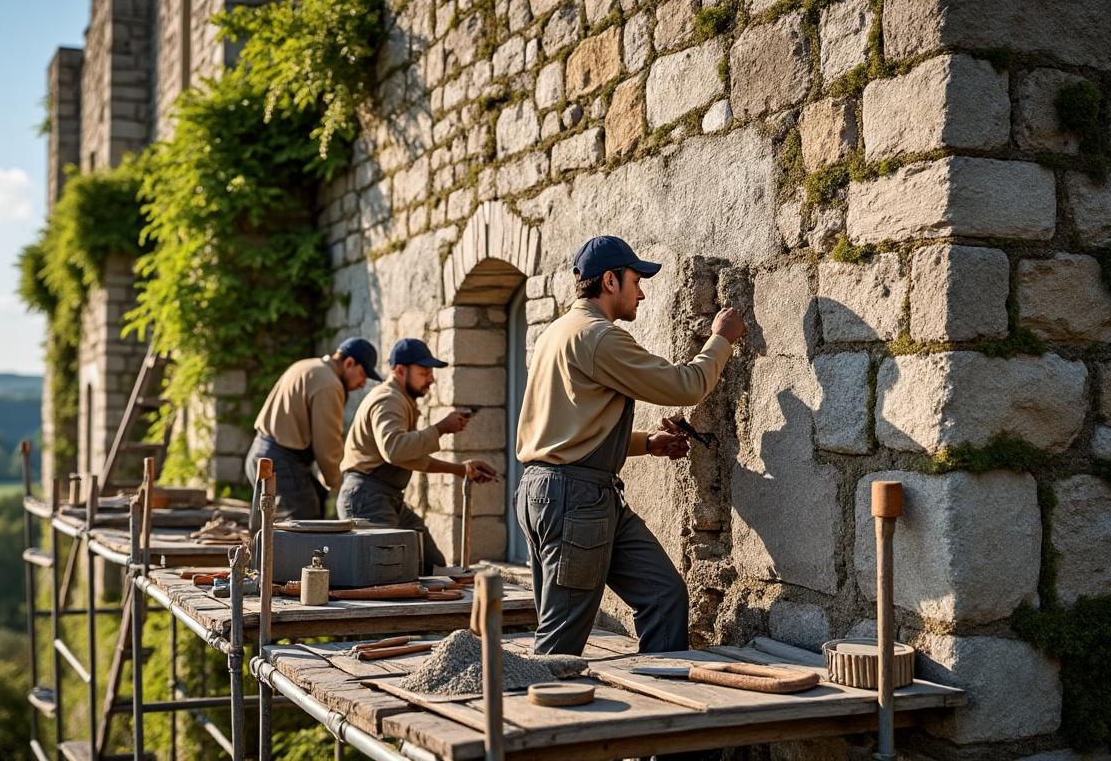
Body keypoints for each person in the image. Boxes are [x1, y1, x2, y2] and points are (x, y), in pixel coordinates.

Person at [514, 235, 746, 655]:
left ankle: (663, 703)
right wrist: (722, 338)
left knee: (664, 595)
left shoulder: (556, 332)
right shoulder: (599, 337)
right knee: (559, 645)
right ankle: (534, 717)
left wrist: (648, 444)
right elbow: (686, 385)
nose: (641, 293)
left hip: (563, 492)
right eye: (636, 281)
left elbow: (567, 434)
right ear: (609, 281)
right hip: (576, 500)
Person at [337, 338, 497, 573]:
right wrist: (441, 428)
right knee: (386, 575)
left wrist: (460, 470)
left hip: (386, 499)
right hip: (366, 500)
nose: (431, 379)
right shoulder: (388, 400)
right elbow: (395, 449)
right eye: (424, 372)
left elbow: (405, 456)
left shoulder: (399, 399)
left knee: (432, 564)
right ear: (400, 370)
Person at [244, 337, 381, 521]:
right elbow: (327, 446)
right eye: (363, 375)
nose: (363, 383)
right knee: (307, 526)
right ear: (349, 363)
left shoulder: (306, 366)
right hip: (281, 462)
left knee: (267, 528)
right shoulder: (330, 384)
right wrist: (341, 485)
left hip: (259, 453)